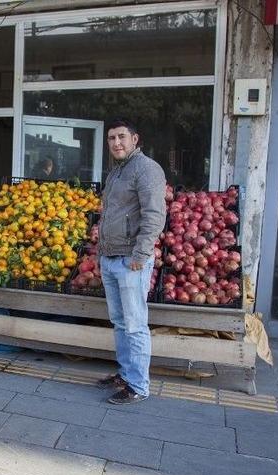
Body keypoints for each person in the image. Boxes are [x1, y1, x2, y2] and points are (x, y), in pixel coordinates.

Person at [96, 119, 166, 405]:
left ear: (135, 139)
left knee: (135, 324)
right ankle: (126, 375)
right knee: (120, 323)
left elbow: (154, 215)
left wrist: (140, 254)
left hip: (130, 260)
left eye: (122, 137)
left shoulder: (146, 169)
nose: (116, 143)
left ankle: (138, 385)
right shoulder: (116, 172)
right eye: (112, 138)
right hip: (111, 257)